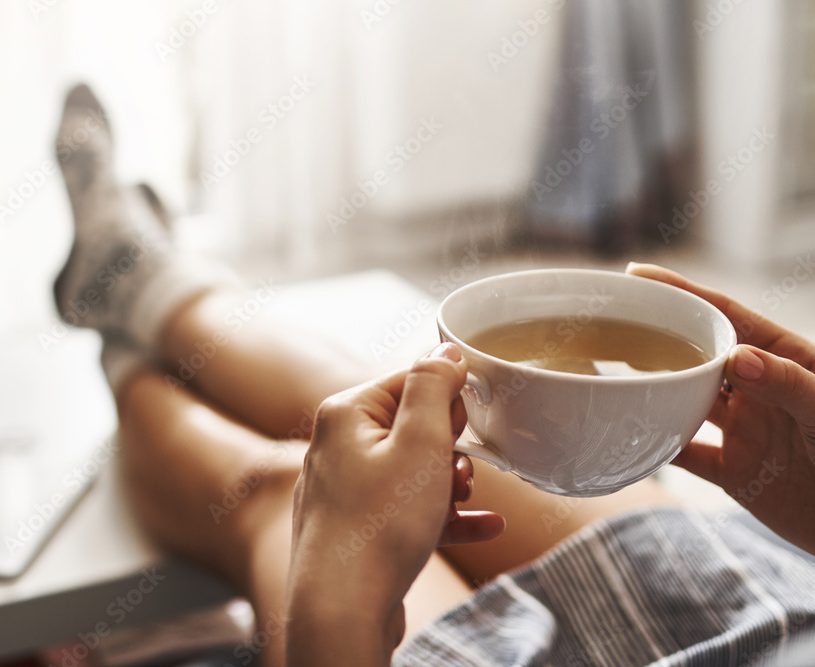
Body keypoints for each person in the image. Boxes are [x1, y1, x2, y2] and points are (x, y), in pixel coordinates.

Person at [53, 84, 815, 666]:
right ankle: (136, 280)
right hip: (772, 614)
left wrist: (336, 618)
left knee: (284, 497)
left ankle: (127, 346)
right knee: (381, 416)